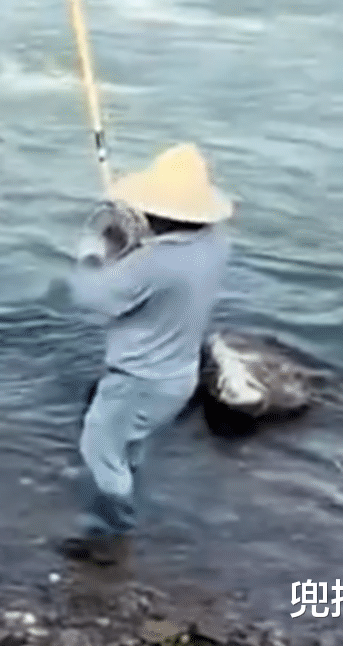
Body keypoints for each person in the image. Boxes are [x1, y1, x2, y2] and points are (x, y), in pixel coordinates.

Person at [60, 142, 234, 564]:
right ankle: (124, 514)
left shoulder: (153, 263)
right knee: (129, 450)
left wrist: (95, 250)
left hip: (137, 380)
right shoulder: (216, 243)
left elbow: (90, 299)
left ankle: (110, 537)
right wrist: (132, 245)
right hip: (179, 375)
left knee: (99, 451)